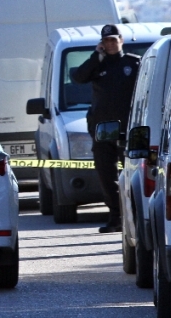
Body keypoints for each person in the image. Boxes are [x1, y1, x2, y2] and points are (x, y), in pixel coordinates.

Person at [71, 24, 140, 234]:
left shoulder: (133, 63)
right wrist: (96, 56)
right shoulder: (97, 64)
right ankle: (116, 217)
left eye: (114, 40)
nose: (110, 44)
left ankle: (134, 217)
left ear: (121, 40)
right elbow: (78, 78)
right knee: (106, 173)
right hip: (103, 129)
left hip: (127, 128)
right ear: (102, 43)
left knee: (131, 173)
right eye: (106, 41)